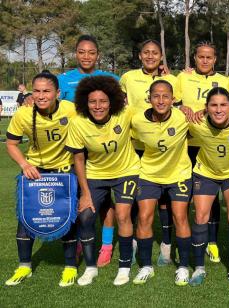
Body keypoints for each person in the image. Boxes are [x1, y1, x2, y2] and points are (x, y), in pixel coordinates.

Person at [5, 71, 78, 287]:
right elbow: (11, 144)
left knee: (67, 220)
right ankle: (24, 266)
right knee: (27, 219)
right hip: (35, 173)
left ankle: (70, 267)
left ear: (58, 93)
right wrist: (25, 164)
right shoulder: (23, 114)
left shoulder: (70, 109)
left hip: (65, 172)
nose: (41, 95)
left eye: (46, 91)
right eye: (36, 91)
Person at [65, 76, 140, 286]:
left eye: (103, 101)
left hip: (127, 170)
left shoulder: (125, 113)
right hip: (96, 174)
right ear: (84, 102)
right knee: (85, 216)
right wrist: (85, 193)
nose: (98, 106)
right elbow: (78, 159)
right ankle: (90, 268)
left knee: (123, 215)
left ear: (113, 101)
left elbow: (151, 112)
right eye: (92, 102)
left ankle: (124, 266)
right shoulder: (78, 123)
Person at [58, 35, 120, 266]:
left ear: (98, 55)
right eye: (82, 52)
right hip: (73, 149)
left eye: (91, 52)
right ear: (76, 53)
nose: (86, 56)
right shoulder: (63, 80)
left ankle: (106, 245)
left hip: (104, 149)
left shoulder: (112, 79)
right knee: (76, 199)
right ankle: (77, 243)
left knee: (105, 202)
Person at [188, 87, 229, 287]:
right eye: (213, 105)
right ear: (206, 108)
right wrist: (183, 108)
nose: (218, 110)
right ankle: (199, 268)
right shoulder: (197, 123)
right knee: (200, 216)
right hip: (205, 172)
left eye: (223, 105)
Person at [120, 39, 179, 266]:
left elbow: (179, 108)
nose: (151, 56)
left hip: (165, 148)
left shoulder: (172, 80)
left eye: (155, 53)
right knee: (139, 197)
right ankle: (135, 240)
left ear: (161, 57)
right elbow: (119, 103)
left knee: (165, 199)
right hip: (136, 145)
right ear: (140, 56)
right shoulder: (128, 77)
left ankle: (166, 244)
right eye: (146, 53)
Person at [131, 80, 193, 285]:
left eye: (165, 96)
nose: (160, 100)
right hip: (149, 175)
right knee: (144, 217)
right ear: (149, 98)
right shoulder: (137, 120)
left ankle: (183, 266)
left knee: (180, 217)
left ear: (173, 99)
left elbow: (208, 116)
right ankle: (146, 266)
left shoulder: (184, 116)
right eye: (156, 96)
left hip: (179, 174)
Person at [177, 41, 228, 263]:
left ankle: (213, 242)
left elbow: (227, 107)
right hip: (185, 145)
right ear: (194, 58)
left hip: (211, 144)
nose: (205, 60)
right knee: (183, 195)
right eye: (201, 57)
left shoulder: (225, 81)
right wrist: (181, 107)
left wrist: (207, 110)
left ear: (215, 59)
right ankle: (181, 239)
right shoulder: (183, 77)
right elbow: (170, 101)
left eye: (209, 57)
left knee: (211, 195)